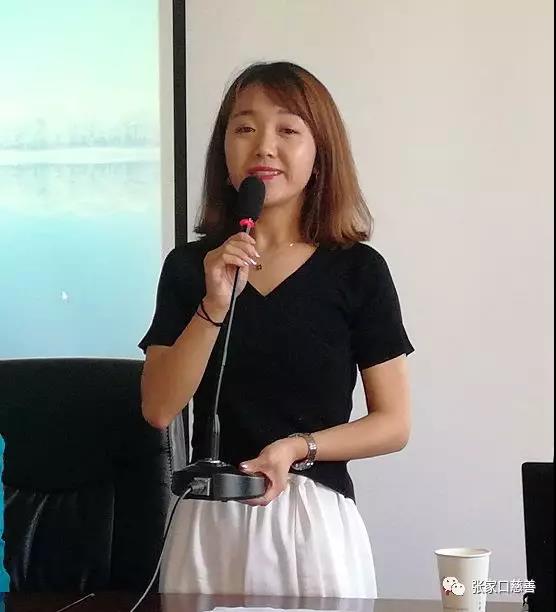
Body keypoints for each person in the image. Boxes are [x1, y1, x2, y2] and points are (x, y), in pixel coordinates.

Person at [139, 61, 414, 598]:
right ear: (224, 148)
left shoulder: (357, 270)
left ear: (319, 151)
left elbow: (394, 424)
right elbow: (158, 408)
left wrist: (298, 447)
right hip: (210, 519)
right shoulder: (190, 267)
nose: (264, 146)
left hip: (313, 519)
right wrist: (213, 305)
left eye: (288, 129)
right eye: (245, 128)